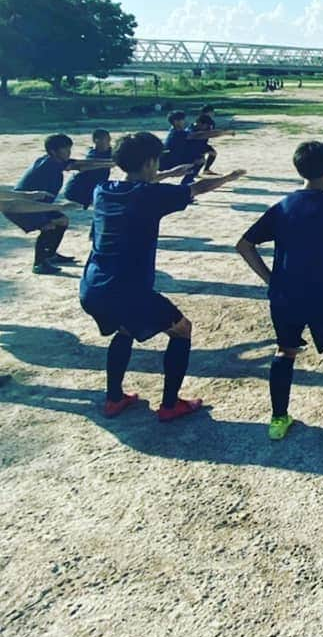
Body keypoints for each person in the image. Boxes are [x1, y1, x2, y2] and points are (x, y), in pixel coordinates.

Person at [79, 132, 245, 420]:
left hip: (93, 286)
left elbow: (137, 186)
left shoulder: (103, 190)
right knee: (182, 330)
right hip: (128, 289)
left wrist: (168, 174)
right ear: (149, 162)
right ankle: (170, 406)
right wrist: (228, 177)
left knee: (125, 329)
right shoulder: (149, 195)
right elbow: (197, 188)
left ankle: (114, 399)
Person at [236, 141, 323, 442]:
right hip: (322, 294)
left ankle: (278, 419)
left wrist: (269, 279)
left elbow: (244, 245)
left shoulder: (283, 207)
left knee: (285, 350)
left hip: (284, 295)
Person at [4, 134, 111, 273]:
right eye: (65, 149)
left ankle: (50, 255)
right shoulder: (48, 165)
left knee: (62, 220)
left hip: (36, 204)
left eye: (69, 149)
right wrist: (110, 162)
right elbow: (79, 165)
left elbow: (80, 164)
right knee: (48, 225)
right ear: (54, 151)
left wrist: (110, 163)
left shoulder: (52, 161)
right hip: (22, 206)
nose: (68, 152)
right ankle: (39, 264)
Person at [59, 129, 113, 210]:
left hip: (90, 188)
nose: (108, 141)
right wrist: (109, 163)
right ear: (96, 140)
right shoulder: (93, 155)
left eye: (109, 139)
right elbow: (84, 167)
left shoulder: (109, 152)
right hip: (77, 190)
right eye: (106, 139)